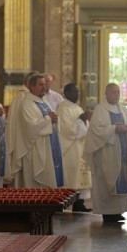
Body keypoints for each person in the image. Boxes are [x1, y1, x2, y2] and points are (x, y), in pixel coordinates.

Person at [85, 83, 127, 223]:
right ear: (106, 94)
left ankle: (118, 211)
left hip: (122, 152)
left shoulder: (122, 109)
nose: (116, 95)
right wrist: (114, 129)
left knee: (121, 180)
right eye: (113, 92)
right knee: (105, 182)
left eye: (118, 92)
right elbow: (95, 130)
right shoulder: (100, 109)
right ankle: (107, 213)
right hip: (106, 152)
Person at [13, 73, 64, 188]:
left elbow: (51, 118)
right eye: (41, 84)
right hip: (35, 150)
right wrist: (48, 119)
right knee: (36, 186)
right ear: (31, 87)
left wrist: (55, 119)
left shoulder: (43, 101)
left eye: (45, 84)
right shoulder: (27, 103)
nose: (44, 87)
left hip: (48, 147)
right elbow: (30, 126)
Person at [57, 83, 92, 212]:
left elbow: (85, 129)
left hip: (80, 147)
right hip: (70, 148)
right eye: (73, 92)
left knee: (80, 175)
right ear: (65, 93)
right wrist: (81, 120)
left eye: (78, 92)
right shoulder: (63, 109)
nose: (76, 94)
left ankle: (79, 203)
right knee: (72, 176)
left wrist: (85, 121)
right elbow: (68, 131)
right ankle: (68, 202)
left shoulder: (77, 108)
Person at [6, 71, 39, 187]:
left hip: (31, 138)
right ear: (30, 84)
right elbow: (18, 123)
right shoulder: (22, 96)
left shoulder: (33, 97)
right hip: (23, 140)